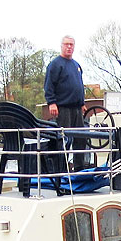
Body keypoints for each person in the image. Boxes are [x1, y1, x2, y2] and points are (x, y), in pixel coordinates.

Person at [44, 35, 87, 170]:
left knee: (81, 138)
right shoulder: (55, 64)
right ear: (61, 46)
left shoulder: (76, 65)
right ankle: (61, 170)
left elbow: (79, 85)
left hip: (77, 109)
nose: (69, 47)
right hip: (62, 108)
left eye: (71, 45)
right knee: (64, 140)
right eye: (67, 44)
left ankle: (79, 167)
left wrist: (82, 103)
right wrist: (51, 102)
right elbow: (49, 85)